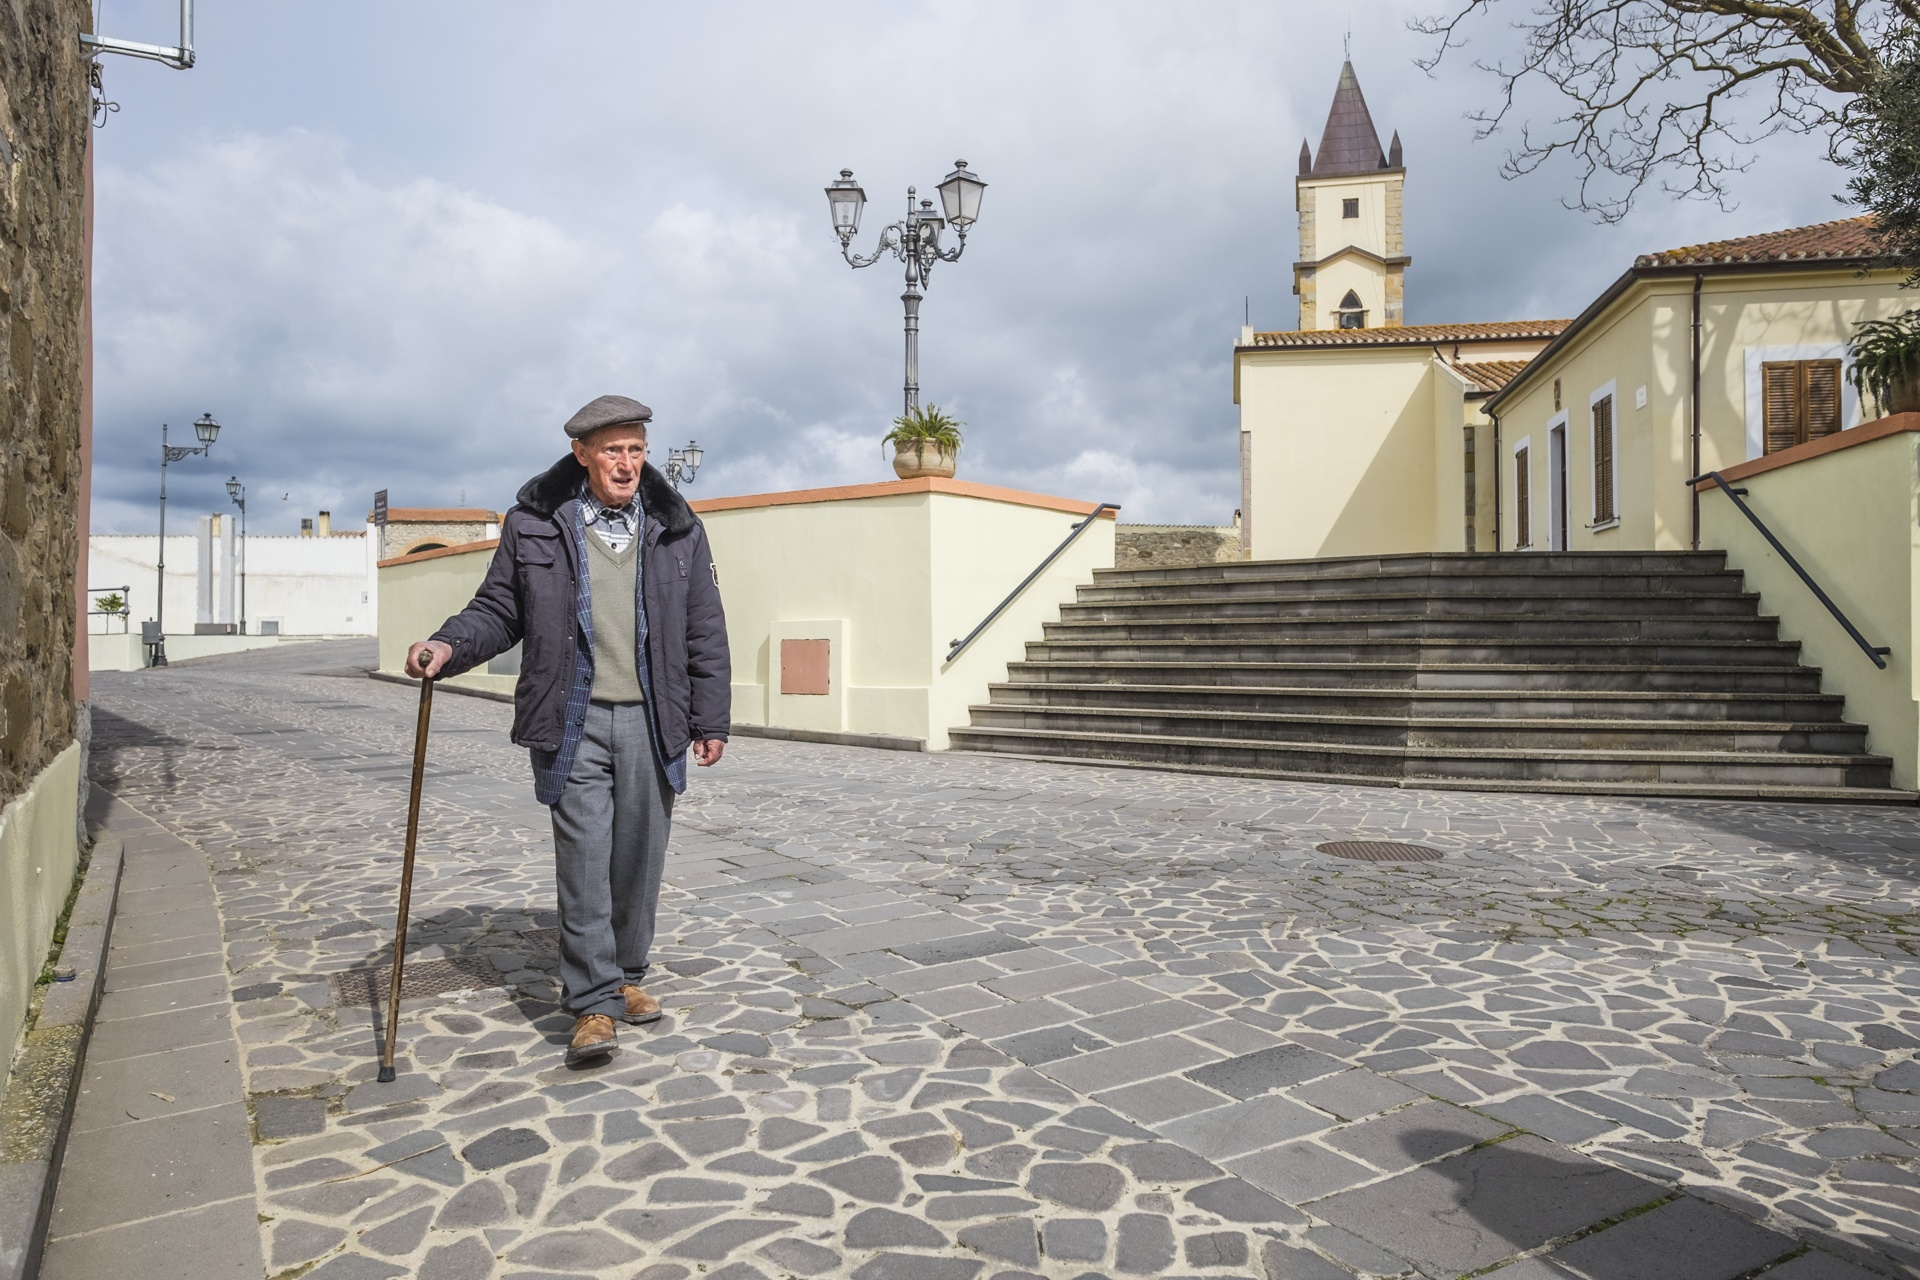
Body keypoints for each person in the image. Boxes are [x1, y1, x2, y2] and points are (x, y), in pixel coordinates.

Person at [406, 394, 730, 1064]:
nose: (627, 463)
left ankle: (627, 976)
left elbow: (705, 626)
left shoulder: (676, 527)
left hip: (653, 719)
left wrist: (710, 718)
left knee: (638, 860)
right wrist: (447, 645)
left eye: (636, 449)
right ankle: (592, 1002)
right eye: (613, 450)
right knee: (584, 861)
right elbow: (498, 609)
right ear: (582, 453)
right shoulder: (536, 524)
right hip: (572, 717)